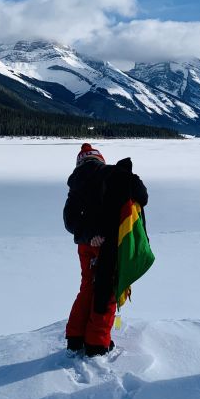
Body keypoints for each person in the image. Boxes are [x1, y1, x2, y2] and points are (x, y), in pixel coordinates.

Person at [62, 143, 149, 357]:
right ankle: (97, 344)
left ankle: (75, 338)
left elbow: (70, 221)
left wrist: (90, 237)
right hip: (109, 245)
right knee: (106, 291)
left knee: (87, 289)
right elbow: (142, 195)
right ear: (99, 159)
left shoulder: (74, 187)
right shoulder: (112, 173)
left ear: (79, 163)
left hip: (86, 246)